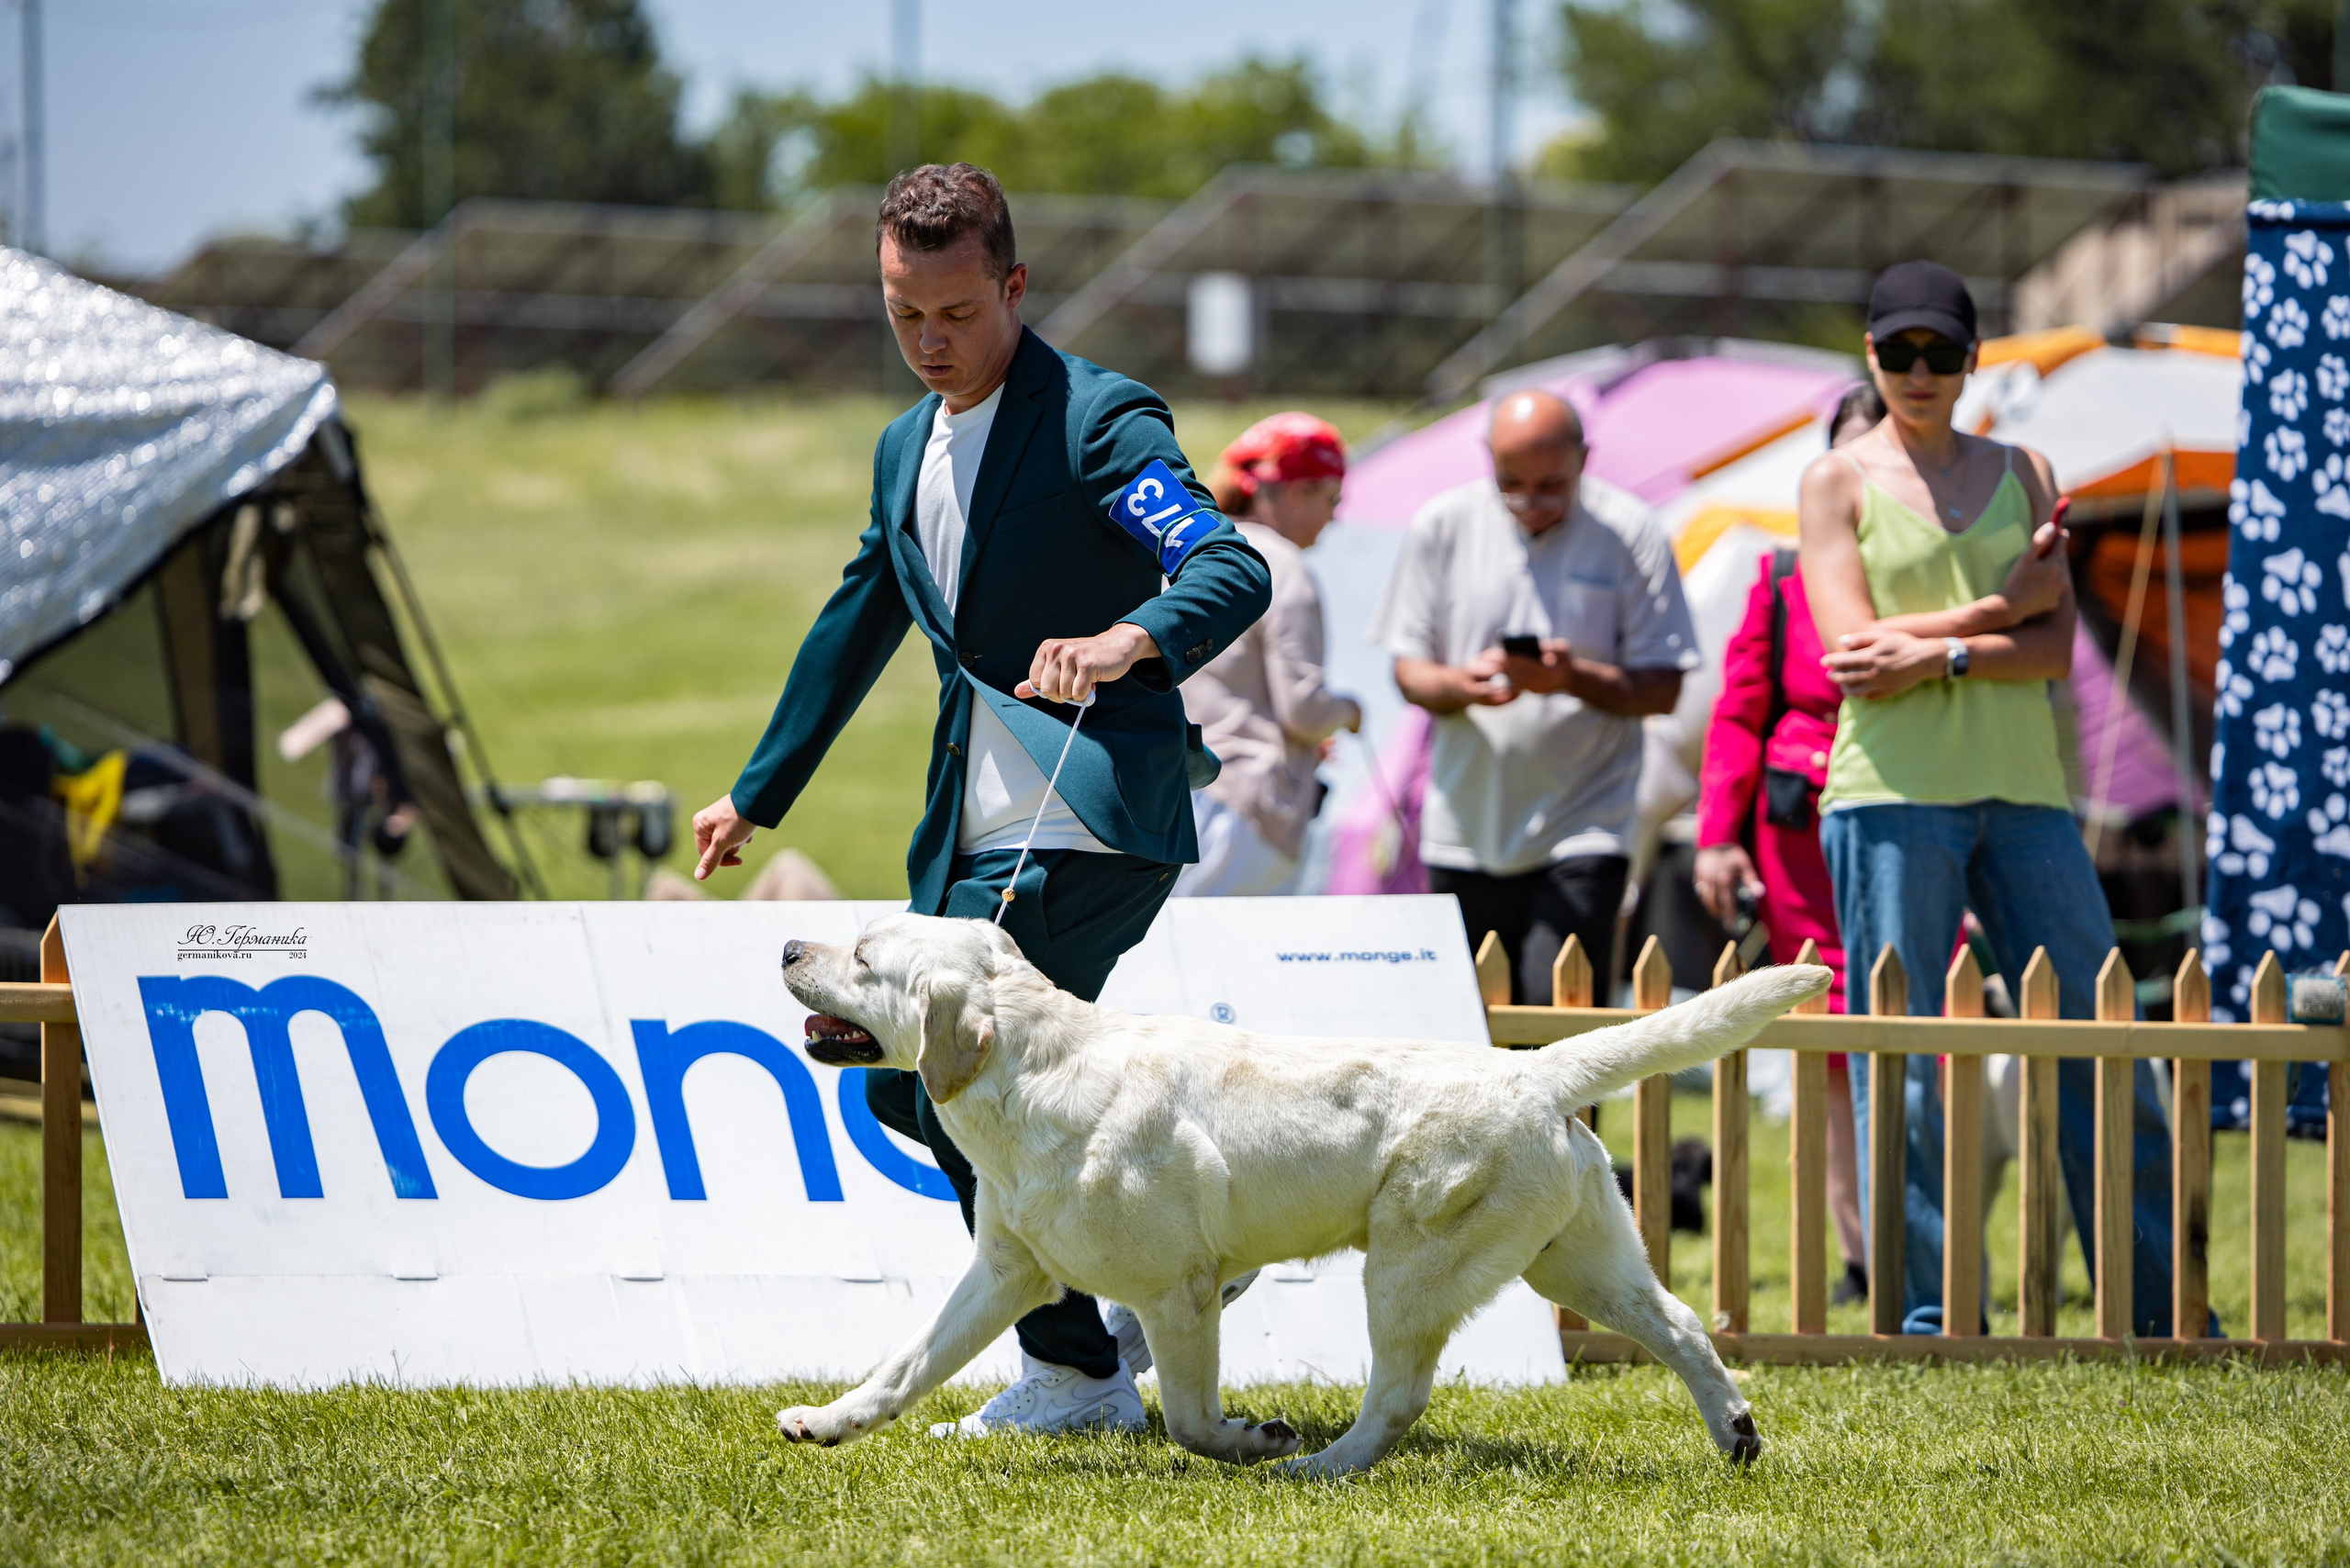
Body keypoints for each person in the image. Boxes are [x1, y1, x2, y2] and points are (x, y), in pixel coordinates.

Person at [688, 163, 1272, 1432]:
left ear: (1012, 285)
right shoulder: (907, 445)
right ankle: (1165, 1272)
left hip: (1094, 819)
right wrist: (756, 792)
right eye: (905, 314)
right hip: (971, 830)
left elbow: (1227, 563)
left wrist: (1130, 641)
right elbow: (861, 616)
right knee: (907, 1084)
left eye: (955, 313)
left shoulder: (1097, 422)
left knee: (959, 1080)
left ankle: (1076, 1370)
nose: (930, 342)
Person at [1796, 260, 2185, 1335]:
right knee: (1903, 1060)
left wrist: (1941, 652)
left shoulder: (2026, 469)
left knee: (2099, 1041)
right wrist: (1992, 610)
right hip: (1889, 794)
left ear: (1974, 362)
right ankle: (1925, 1317)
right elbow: (1846, 651)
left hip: (2025, 792)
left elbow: (2052, 646)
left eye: (1941, 353)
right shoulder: (1833, 479)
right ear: (1870, 359)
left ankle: (2150, 1311)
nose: (1919, 372)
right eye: (1899, 352)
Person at [1372, 388, 1699, 1002]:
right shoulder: (1443, 524)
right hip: (1466, 825)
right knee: (1475, 1035)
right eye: (1511, 483)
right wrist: (1459, 685)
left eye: (1551, 486)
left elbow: (1665, 687)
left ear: (1585, 457)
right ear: (1487, 458)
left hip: (1585, 822)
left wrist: (1571, 677)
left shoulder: (1629, 531)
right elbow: (1408, 672)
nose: (1530, 503)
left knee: (1562, 1031)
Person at [1695, 380, 1883, 1305]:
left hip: (1918, 801)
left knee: (1916, 1024)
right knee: (1828, 1030)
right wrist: (1714, 839)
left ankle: (1921, 1247)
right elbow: (1736, 713)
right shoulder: (1776, 577)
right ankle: (1857, 1252)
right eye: (1849, 449)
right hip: (1800, 825)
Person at [1174, 412, 1362, 897]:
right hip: (1244, 812)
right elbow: (1304, 709)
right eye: (1331, 499)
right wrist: (1350, 712)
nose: (1335, 516)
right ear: (1298, 490)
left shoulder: (1194, 553)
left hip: (1171, 798)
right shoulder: (1282, 564)